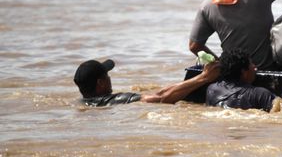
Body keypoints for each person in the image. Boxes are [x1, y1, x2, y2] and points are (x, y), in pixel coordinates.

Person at [73, 58, 221, 107]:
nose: (110, 79)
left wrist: (193, 81)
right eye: (107, 75)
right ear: (101, 83)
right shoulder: (118, 99)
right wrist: (204, 78)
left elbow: (159, 93)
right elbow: (162, 99)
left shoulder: (84, 103)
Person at [205, 48, 280, 111]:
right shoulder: (260, 94)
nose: (255, 67)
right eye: (251, 64)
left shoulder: (212, 89)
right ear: (244, 72)